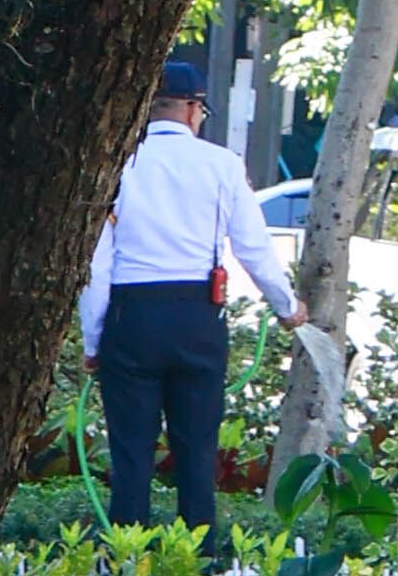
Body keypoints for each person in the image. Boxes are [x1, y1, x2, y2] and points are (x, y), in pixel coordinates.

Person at [82, 52, 301, 528]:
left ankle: (126, 562)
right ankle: (197, 565)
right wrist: (286, 307)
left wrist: (93, 341)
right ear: (191, 109)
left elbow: (98, 263)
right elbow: (253, 247)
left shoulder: (119, 165)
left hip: (131, 316)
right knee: (198, 452)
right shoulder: (222, 165)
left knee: (131, 455)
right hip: (197, 316)